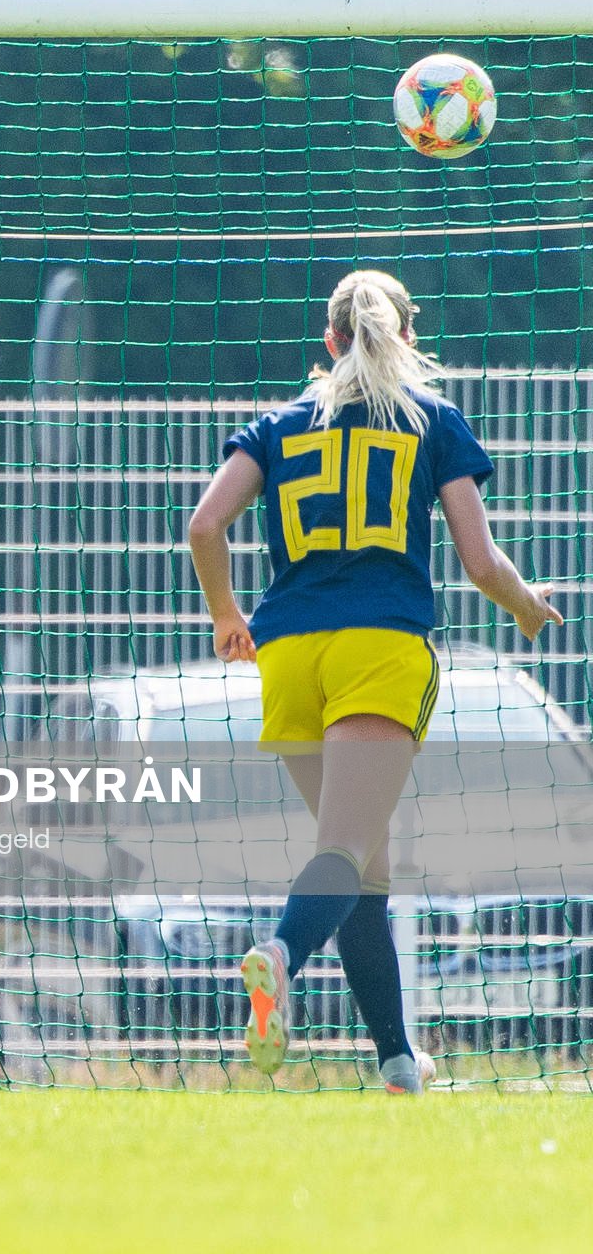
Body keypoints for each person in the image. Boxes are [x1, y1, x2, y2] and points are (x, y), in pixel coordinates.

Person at [187, 269, 561, 1093]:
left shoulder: (280, 426)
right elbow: (479, 560)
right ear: (408, 339)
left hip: (286, 656)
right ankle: (279, 957)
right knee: (347, 851)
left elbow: (205, 523)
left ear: (329, 342)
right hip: (379, 648)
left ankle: (397, 1060)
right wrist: (528, 608)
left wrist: (225, 615)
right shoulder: (432, 421)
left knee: (367, 868)